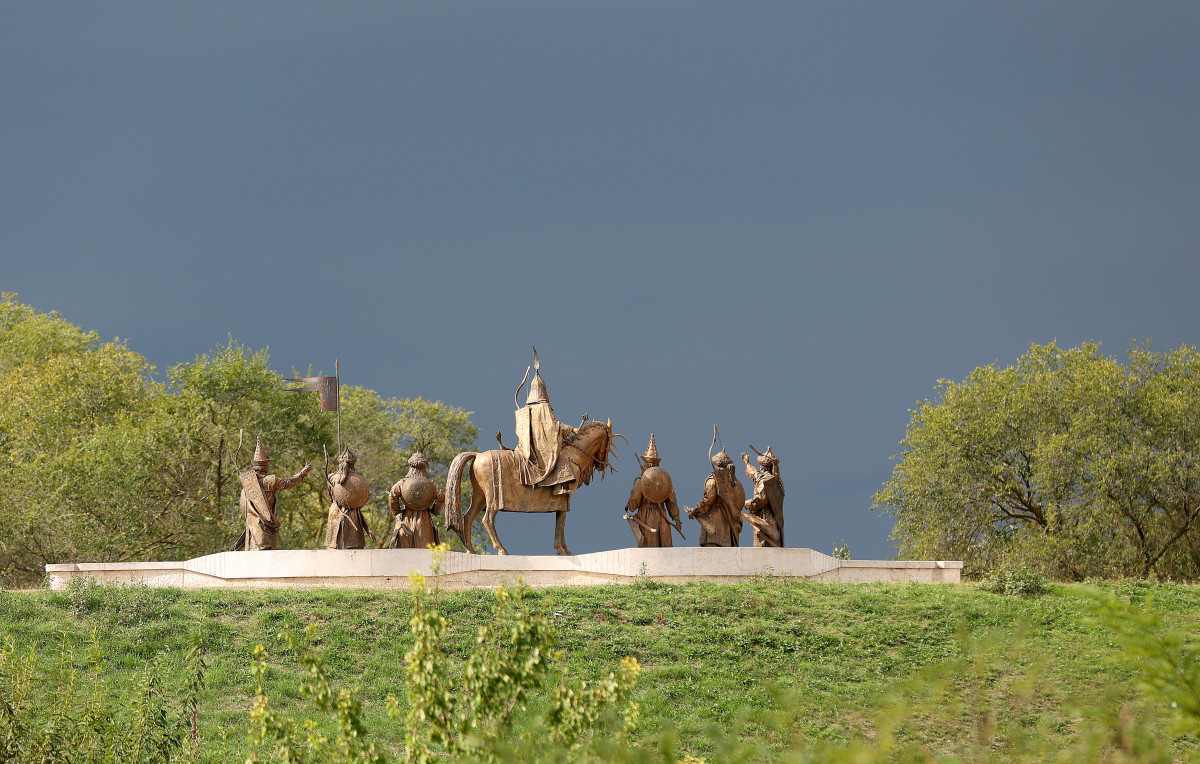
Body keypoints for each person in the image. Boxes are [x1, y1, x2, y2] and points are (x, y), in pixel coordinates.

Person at [513, 349, 579, 494]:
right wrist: (573, 429)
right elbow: (554, 426)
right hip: (542, 447)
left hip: (526, 448)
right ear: (544, 390)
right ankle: (557, 488)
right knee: (561, 457)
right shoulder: (544, 407)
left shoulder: (526, 409)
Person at [234, 437, 312, 551]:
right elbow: (290, 482)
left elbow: (244, 509)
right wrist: (303, 472)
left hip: (253, 527)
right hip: (265, 526)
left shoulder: (247, 486)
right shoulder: (270, 481)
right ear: (266, 466)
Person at [623, 435, 682, 548]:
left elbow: (634, 502)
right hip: (662, 516)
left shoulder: (640, 481)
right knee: (665, 547)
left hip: (647, 516)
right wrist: (676, 518)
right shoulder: (664, 480)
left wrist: (629, 505)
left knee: (649, 548)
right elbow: (672, 501)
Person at [686, 447, 745, 547]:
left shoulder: (713, 480)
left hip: (715, 522)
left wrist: (696, 510)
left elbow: (708, 500)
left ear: (716, 465)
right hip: (731, 526)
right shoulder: (736, 482)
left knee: (712, 550)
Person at [386, 451, 445, 549]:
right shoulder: (431, 484)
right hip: (424, 520)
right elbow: (441, 498)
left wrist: (397, 511)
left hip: (406, 519)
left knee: (404, 553)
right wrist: (435, 510)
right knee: (425, 552)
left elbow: (392, 496)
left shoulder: (402, 483)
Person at [324, 448, 372, 549]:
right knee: (354, 547)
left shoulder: (332, 477)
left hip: (336, 511)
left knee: (334, 547)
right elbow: (364, 498)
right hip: (354, 513)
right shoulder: (360, 478)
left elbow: (330, 498)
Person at [741, 446, 785, 547]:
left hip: (766, 518)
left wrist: (744, 504)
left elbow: (759, 500)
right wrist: (747, 463)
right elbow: (754, 475)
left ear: (762, 467)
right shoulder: (777, 481)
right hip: (775, 520)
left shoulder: (766, 483)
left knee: (764, 544)